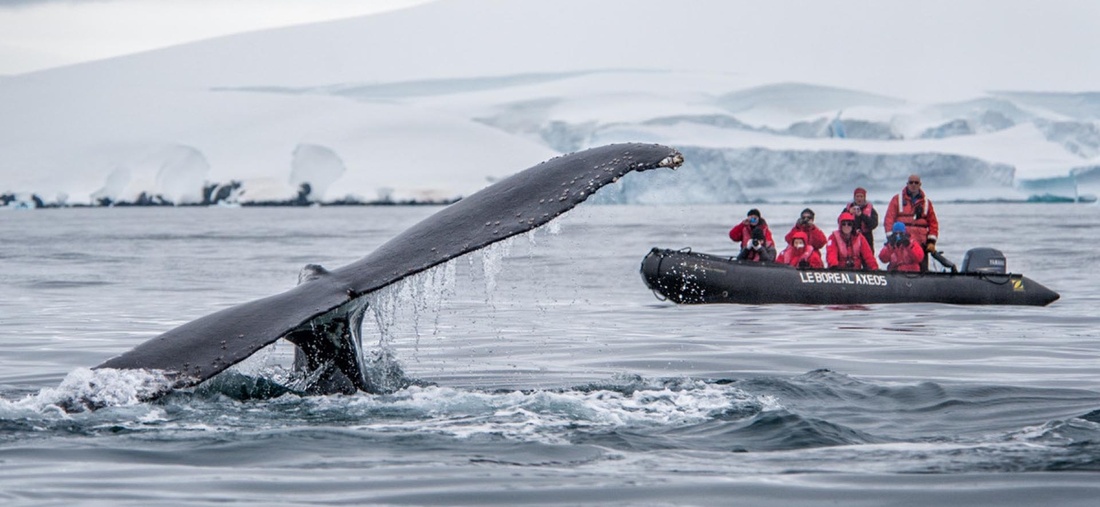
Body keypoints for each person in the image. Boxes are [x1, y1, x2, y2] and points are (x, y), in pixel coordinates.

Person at [884, 174, 939, 271]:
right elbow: (889, 219)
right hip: (901, 243)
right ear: (907, 184)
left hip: (921, 243)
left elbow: (933, 223)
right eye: (911, 182)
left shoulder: (926, 203)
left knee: (922, 270)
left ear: (920, 184)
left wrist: (931, 242)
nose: (913, 185)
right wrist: (891, 239)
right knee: (898, 266)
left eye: (916, 183)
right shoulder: (897, 199)